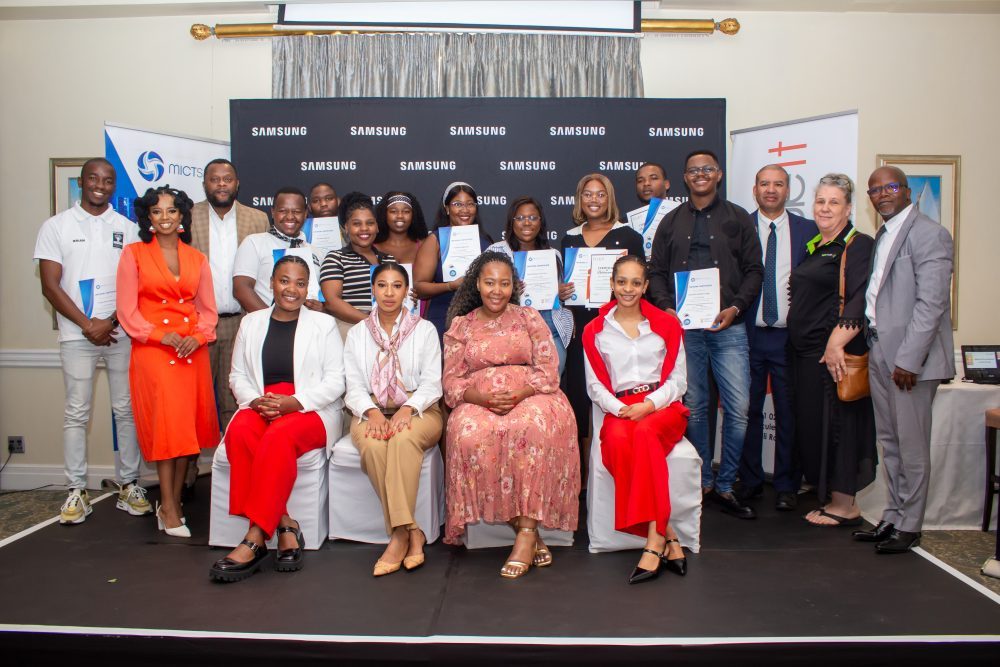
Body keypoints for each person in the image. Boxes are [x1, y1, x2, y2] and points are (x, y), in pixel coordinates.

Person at [442, 251, 580, 578]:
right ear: (477, 284)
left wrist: (520, 394)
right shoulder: (462, 325)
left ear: (514, 286)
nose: (497, 290)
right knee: (469, 434)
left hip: (531, 394)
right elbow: (451, 381)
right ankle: (527, 533)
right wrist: (481, 398)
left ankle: (527, 533)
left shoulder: (529, 317)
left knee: (534, 429)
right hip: (479, 398)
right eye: (490, 282)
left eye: (504, 284)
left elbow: (549, 369)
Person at [210, 255, 345, 581]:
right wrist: (256, 401)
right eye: (284, 280)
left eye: (300, 283)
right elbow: (237, 376)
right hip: (262, 404)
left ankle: (256, 535)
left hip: (309, 408)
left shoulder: (323, 324)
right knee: (240, 431)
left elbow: (336, 381)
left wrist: (293, 403)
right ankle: (285, 524)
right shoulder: (251, 322)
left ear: (307, 288)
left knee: (279, 435)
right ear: (271, 283)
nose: (291, 289)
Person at [647, 150, 763, 520]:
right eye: (693, 170)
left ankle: (726, 484)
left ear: (718, 174)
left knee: (739, 408)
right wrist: (666, 308)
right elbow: (656, 271)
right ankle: (702, 483)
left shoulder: (738, 218)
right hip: (686, 330)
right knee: (695, 408)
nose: (700, 174)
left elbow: (755, 270)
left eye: (707, 169)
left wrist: (736, 308)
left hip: (728, 326)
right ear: (685, 177)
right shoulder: (671, 221)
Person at [34, 157, 150, 524]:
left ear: (114, 186)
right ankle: (76, 490)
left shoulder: (129, 229)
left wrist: (110, 321)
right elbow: (50, 285)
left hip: (120, 332)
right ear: (82, 181)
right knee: (76, 412)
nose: (100, 185)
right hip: (76, 334)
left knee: (126, 410)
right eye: (94, 179)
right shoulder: (56, 226)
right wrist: (88, 325)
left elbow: (138, 285)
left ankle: (129, 484)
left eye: (108, 180)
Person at [852, 166, 954, 554]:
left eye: (890, 187)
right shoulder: (884, 234)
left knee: (911, 446)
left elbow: (931, 304)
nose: (882, 194)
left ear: (907, 191)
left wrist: (909, 359)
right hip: (880, 349)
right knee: (890, 443)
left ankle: (911, 525)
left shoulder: (930, 234)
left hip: (910, 360)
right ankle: (893, 515)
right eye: (875, 190)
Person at [116, 186, 219, 537]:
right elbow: (127, 311)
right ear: (147, 217)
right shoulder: (133, 255)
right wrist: (161, 336)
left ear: (181, 216)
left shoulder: (196, 258)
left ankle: (171, 503)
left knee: (185, 431)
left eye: (171, 211)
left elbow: (208, 310)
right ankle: (170, 507)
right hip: (154, 350)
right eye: (157, 211)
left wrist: (198, 337)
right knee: (166, 429)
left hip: (191, 350)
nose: (165, 217)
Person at [583, 255, 690, 585]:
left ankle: (654, 542)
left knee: (644, 433)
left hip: (662, 405)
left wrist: (650, 404)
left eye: (635, 282)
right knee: (615, 440)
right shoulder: (595, 331)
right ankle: (668, 532)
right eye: (621, 282)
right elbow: (594, 385)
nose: (627, 289)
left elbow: (679, 381)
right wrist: (619, 409)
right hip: (620, 406)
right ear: (612, 284)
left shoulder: (667, 325)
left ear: (645, 287)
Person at [787, 174, 876, 528]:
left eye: (834, 202)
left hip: (832, 355)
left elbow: (860, 297)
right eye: (820, 201)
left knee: (840, 425)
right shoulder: (815, 245)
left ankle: (844, 505)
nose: (825, 208)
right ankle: (828, 493)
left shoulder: (857, 245)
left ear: (849, 208)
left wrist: (836, 343)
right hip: (806, 355)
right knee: (817, 427)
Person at [344, 262, 444, 576]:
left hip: (420, 408)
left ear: (407, 291)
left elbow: (433, 383)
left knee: (402, 438)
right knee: (374, 445)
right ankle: (409, 531)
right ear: (372, 289)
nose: (389, 293)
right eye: (382, 285)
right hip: (370, 408)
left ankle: (398, 536)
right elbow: (353, 386)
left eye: (397, 286)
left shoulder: (424, 329)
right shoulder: (357, 333)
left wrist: (407, 408)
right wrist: (372, 412)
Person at [738, 165, 818, 511]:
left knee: (789, 412)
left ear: (788, 190)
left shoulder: (808, 230)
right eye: (765, 184)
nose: (771, 190)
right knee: (748, 410)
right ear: (755, 189)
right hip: (747, 334)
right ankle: (750, 481)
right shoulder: (739, 228)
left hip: (790, 337)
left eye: (778, 184)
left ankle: (787, 484)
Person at [187, 158, 268, 498]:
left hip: (242, 322)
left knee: (232, 401)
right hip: (196, 326)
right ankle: (187, 472)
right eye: (214, 179)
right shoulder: (188, 216)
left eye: (227, 179)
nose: (221, 184)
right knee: (194, 402)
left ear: (237, 183)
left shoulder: (257, 218)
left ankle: (235, 473)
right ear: (205, 183)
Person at [561, 173, 645, 453]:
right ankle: (584, 470)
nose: (594, 200)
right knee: (579, 397)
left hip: (615, 327)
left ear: (609, 198)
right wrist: (562, 292)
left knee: (614, 393)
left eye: (600, 194)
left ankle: (617, 456)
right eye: (588, 194)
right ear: (579, 199)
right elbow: (567, 288)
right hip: (579, 330)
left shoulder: (629, 237)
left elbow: (639, 286)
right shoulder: (570, 238)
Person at [485, 196, 573, 374]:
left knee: (549, 383)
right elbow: (479, 291)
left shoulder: (553, 254)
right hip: (507, 330)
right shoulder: (495, 251)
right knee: (515, 385)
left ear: (540, 222)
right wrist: (508, 291)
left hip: (550, 329)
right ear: (512, 222)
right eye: (520, 218)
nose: (527, 223)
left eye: (533, 218)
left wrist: (561, 294)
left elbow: (559, 299)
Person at [413, 182, 492, 340]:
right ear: (447, 208)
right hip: (443, 317)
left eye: (470, 204)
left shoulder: (486, 242)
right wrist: (450, 285)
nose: (465, 209)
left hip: (482, 321)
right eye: (457, 204)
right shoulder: (434, 241)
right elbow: (419, 287)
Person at [232, 187, 323, 314]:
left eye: (296, 211)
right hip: (265, 323)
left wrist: (322, 308)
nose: (290, 217)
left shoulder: (317, 252)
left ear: (305, 213)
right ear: (273, 212)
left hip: (308, 323)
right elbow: (241, 289)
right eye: (283, 211)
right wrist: (273, 319)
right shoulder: (254, 243)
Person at [320, 192, 395, 340]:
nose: (364, 228)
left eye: (370, 223)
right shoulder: (335, 258)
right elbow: (331, 302)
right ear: (346, 227)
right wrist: (371, 322)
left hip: (388, 328)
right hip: (349, 327)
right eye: (356, 224)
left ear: (377, 227)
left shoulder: (389, 260)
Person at [374, 190, 429, 266]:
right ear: (384, 214)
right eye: (393, 211)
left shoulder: (424, 246)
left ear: (413, 215)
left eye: (406, 211)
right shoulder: (372, 248)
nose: (400, 216)